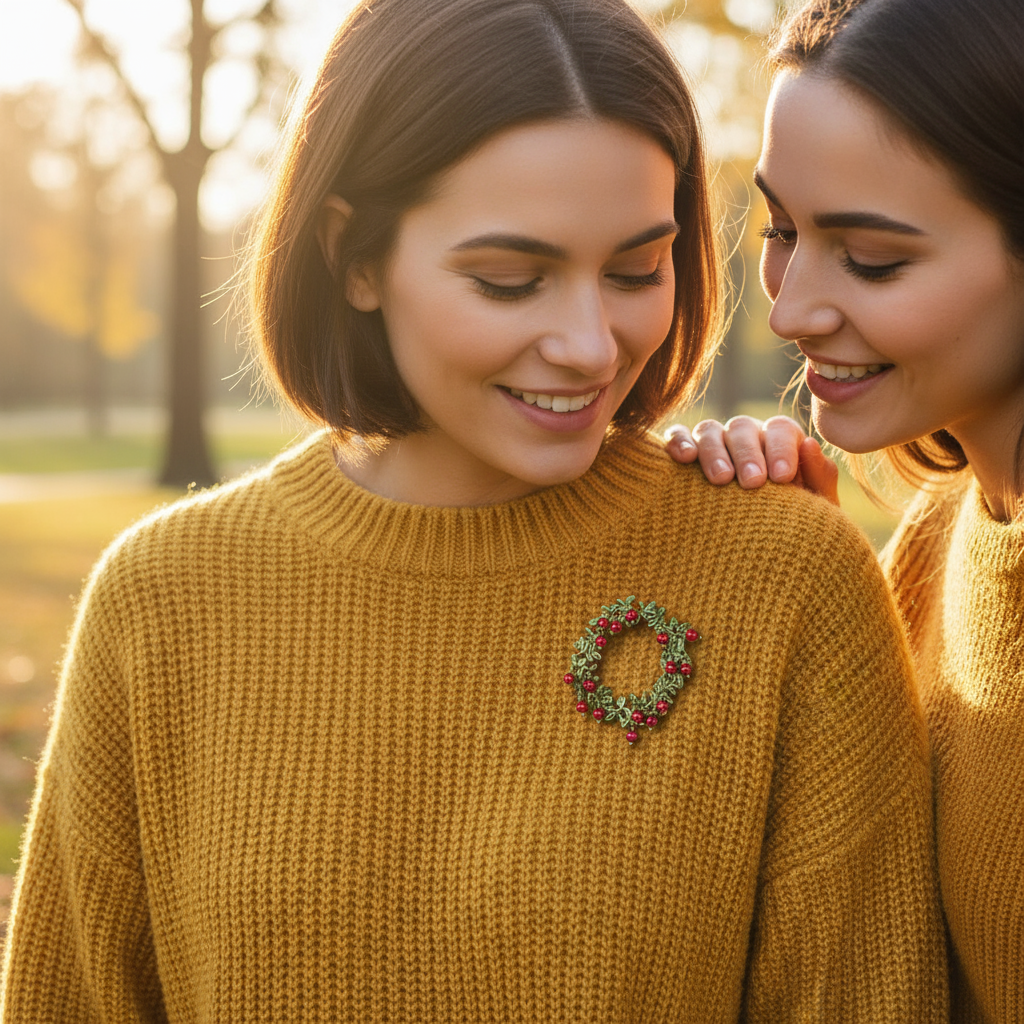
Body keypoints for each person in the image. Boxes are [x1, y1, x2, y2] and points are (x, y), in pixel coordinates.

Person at [1, 0, 948, 1019]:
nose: (589, 344)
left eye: (636, 269)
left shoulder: (787, 574)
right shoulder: (160, 601)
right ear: (354, 258)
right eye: (509, 280)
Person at [668, 0, 1024, 1019]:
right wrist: (800, 580)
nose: (789, 309)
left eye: (870, 258)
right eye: (782, 229)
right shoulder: (934, 542)